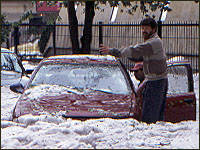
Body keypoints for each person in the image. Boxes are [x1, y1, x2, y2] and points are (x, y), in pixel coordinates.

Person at [99, 17, 168, 124]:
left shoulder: (155, 42)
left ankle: (150, 134)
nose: (143, 31)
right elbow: (138, 57)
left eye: (146, 28)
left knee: (150, 116)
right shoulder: (151, 42)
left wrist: (113, 51)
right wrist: (125, 55)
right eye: (142, 28)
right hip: (153, 81)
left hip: (156, 82)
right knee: (153, 115)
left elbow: (136, 50)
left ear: (154, 29)